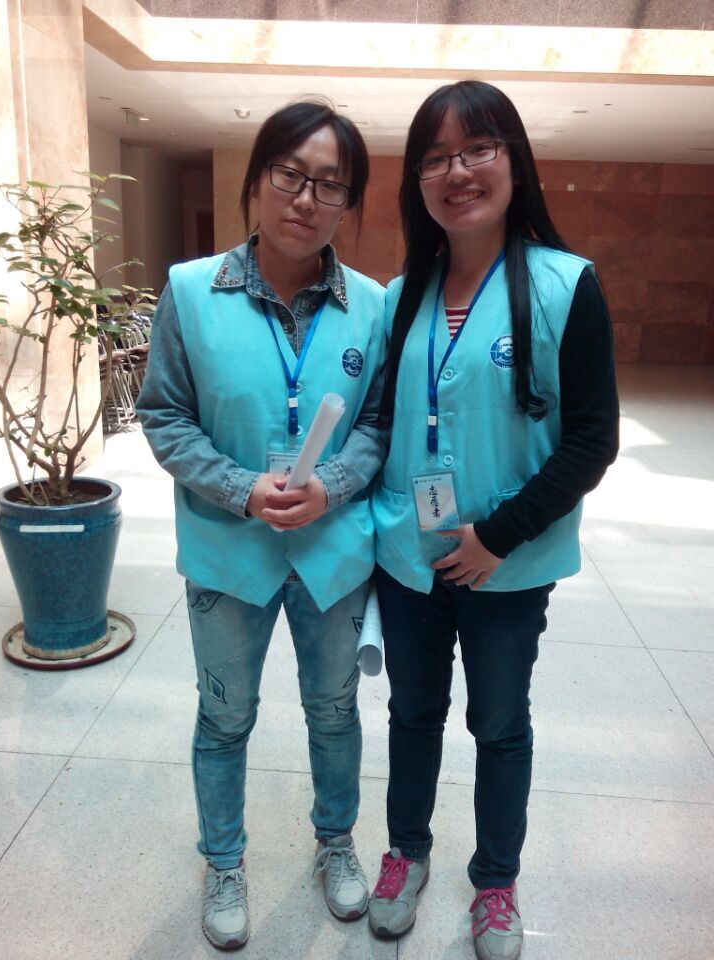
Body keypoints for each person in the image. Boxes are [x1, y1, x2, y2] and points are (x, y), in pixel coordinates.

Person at [367, 80, 619, 960]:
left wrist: (497, 537)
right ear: (417, 181)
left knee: (500, 724)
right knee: (412, 714)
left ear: (515, 162)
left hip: (508, 566)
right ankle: (406, 853)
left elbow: (592, 439)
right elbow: (385, 422)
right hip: (409, 555)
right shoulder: (404, 292)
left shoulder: (565, 285)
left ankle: (497, 882)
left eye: (477, 150)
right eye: (435, 158)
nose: (457, 172)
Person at [136, 100, 387, 951]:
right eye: (290, 174)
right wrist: (242, 488)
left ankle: (335, 843)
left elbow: (378, 424)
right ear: (257, 180)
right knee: (224, 719)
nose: (306, 199)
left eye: (330, 185)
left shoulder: (373, 306)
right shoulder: (190, 291)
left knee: (334, 711)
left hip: (332, 554)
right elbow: (165, 416)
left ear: (348, 203)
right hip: (227, 551)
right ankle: (224, 861)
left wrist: (334, 485)